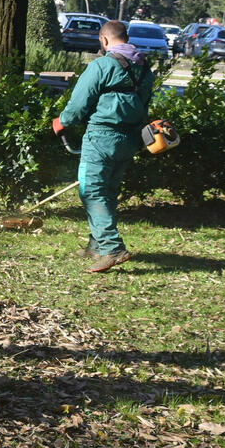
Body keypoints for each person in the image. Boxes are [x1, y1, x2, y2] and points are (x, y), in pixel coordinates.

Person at [52, 19, 154, 273]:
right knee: (107, 191)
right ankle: (96, 245)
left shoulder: (102, 65)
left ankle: (112, 247)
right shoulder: (144, 68)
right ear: (126, 38)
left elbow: (79, 103)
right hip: (130, 139)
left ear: (104, 40)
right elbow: (144, 103)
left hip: (101, 137)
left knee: (91, 191)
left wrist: (62, 121)